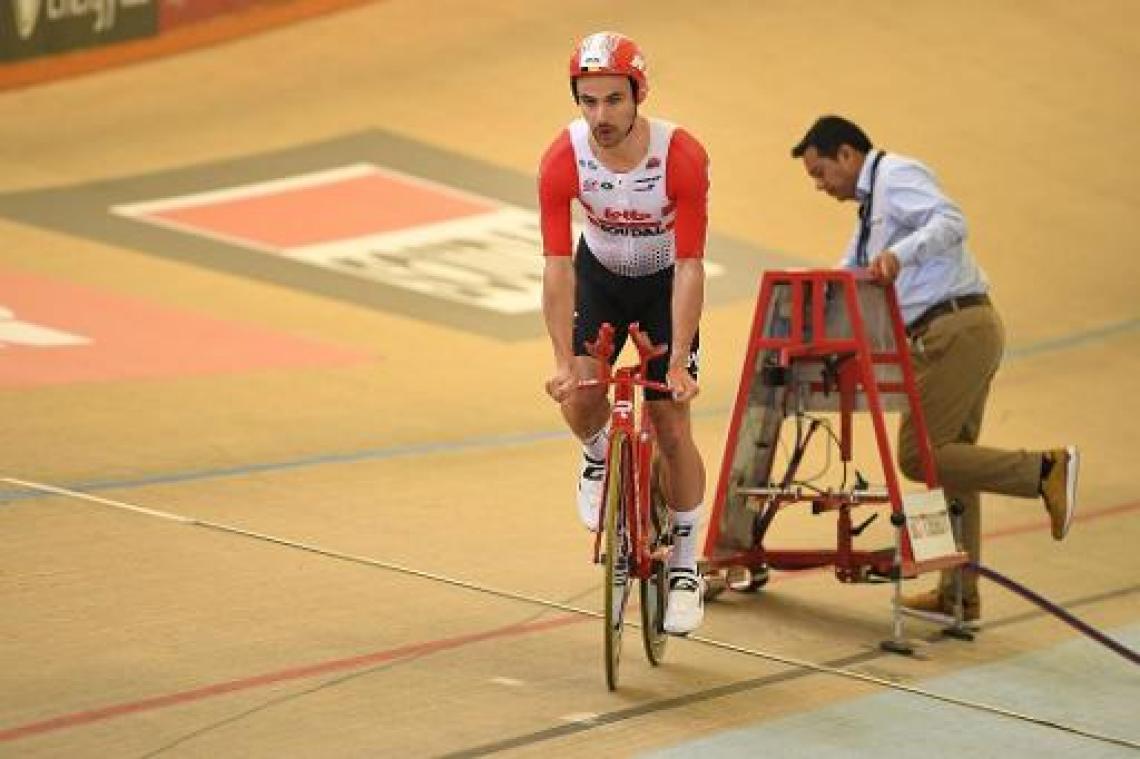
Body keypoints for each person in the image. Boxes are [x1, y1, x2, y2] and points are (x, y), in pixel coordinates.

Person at [790, 115, 1080, 624]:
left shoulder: (896, 174)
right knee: (953, 462)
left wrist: (901, 256)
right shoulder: (870, 208)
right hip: (958, 330)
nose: (818, 186)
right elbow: (854, 269)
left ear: (845, 156)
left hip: (951, 330)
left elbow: (951, 221)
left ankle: (1044, 470)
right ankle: (959, 594)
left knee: (920, 456)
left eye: (820, 173)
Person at [538, 31, 710, 634]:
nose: (600, 116)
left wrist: (681, 360)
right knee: (581, 389)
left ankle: (688, 564)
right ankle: (594, 457)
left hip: (665, 283)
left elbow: (690, 264)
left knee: (669, 423)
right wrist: (563, 358)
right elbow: (558, 265)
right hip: (601, 278)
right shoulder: (563, 157)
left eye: (613, 100)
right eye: (588, 101)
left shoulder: (681, 154)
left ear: (638, 94)